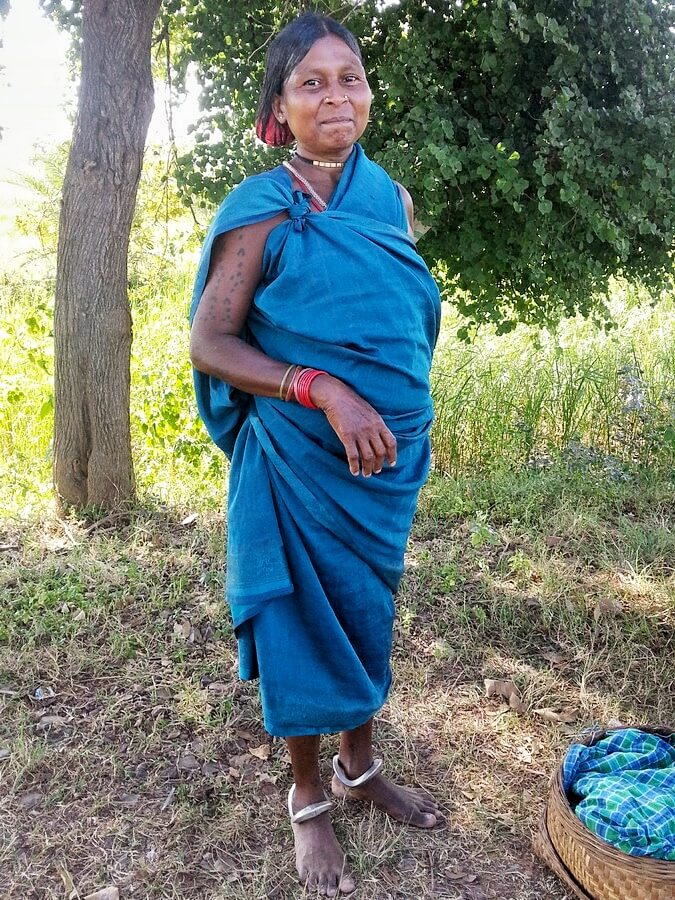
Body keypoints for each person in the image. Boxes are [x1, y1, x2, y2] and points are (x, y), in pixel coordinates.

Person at [189, 12, 442, 896]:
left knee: (366, 610)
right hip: (298, 459)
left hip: (382, 464)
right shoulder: (260, 209)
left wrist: (389, 409)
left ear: (369, 94)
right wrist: (323, 390)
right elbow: (212, 342)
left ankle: (360, 770)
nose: (336, 94)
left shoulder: (391, 200)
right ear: (280, 107)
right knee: (304, 617)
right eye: (312, 82)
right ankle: (307, 794)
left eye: (350, 77)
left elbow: (398, 327)